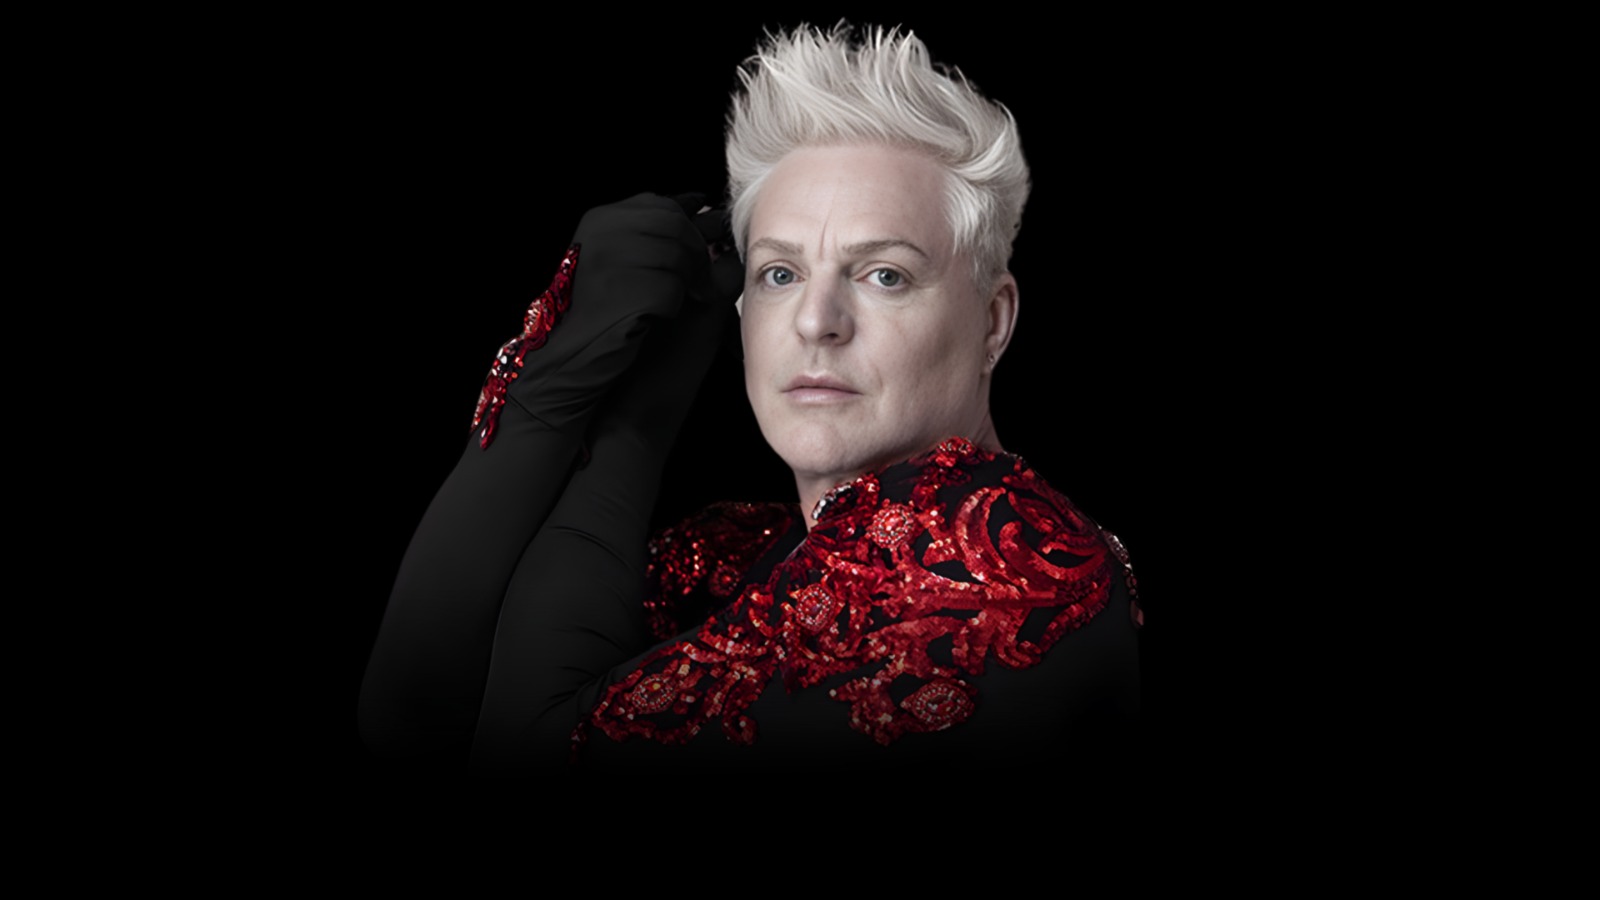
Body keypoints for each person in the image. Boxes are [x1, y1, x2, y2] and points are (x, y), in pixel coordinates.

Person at [359, 23, 1142, 775]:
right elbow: (414, 718)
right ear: (740, 306)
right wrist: (562, 382)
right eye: (780, 273)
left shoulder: (1000, 568)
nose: (816, 321)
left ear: (993, 321)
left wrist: (614, 410)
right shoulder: (742, 553)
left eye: (885, 275)